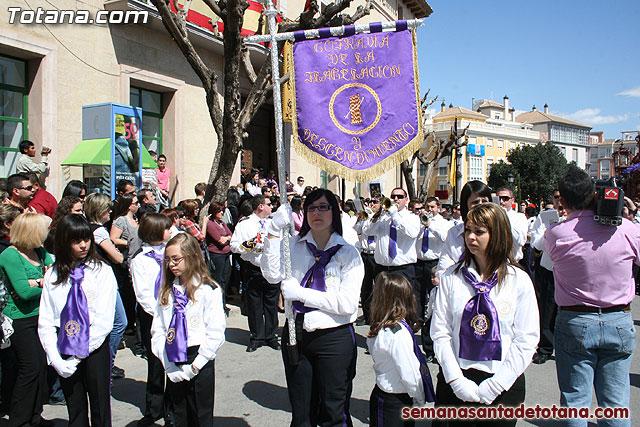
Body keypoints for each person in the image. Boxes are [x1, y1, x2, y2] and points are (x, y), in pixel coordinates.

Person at [261, 188, 364, 427]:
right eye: (311, 208)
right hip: (297, 333)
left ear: (334, 212)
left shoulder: (348, 254)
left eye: (323, 207)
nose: (316, 212)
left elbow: (347, 304)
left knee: (333, 412)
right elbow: (271, 274)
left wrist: (302, 295)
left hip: (334, 338)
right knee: (302, 412)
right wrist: (274, 232)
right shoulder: (294, 247)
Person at [545, 168, 639, 427]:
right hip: (618, 319)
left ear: (561, 201)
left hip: (575, 320)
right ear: (593, 194)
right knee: (616, 403)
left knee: (576, 402)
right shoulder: (628, 230)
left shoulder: (556, 234)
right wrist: (625, 214)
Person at [431, 203, 539, 427]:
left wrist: (497, 384)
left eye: (479, 232)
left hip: (503, 383)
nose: (471, 237)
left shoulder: (518, 281)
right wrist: (456, 380)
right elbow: (440, 331)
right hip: (458, 378)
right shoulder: (452, 277)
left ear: (497, 234)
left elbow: (526, 339)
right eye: (468, 230)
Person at [38, 214, 117, 427]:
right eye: (76, 241)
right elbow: (46, 320)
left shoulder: (102, 271)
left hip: (94, 348)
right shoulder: (53, 275)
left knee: (101, 408)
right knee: (76, 409)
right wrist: (55, 358)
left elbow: (104, 320)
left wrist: (79, 356)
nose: (83, 245)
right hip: (65, 345)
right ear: (64, 242)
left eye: (86, 239)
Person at [151, 233, 225, 427]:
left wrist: (195, 366)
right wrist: (168, 365)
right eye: (168, 260)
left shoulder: (208, 289)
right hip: (173, 356)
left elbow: (215, 332)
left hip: (199, 357)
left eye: (176, 259)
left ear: (192, 256)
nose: (171, 264)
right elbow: (158, 329)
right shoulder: (167, 291)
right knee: (178, 415)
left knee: (200, 415)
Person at [0, 212, 53, 427]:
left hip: (41, 315)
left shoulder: (39, 251)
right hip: (19, 319)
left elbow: (57, 276)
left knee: (40, 367)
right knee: (29, 368)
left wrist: (38, 282)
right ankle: (19, 420)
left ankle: (35, 416)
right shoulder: (10, 255)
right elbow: (23, 292)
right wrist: (44, 282)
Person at [367, 272, 435, 427]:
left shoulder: (381, 326)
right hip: (396, 400)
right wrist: (419, 397)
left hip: (384, 393)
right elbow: (409, 371)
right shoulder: (397, 333)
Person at [130, 213, 173, 427]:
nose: (171, 231)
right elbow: (143, 293)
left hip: (175, 312)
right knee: (155, 361)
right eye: (167, 228)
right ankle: (154, 406)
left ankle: (172, 406)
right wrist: (158, 313)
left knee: (175, 357)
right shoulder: (140, 260)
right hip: (153, 315)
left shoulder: (170, 253)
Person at [84, 193, 128, 379]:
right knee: (119, 322)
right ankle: (106, 366)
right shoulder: (99, 231)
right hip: (103, 281)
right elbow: (117, 257)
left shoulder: (87, 228)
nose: (110, 211)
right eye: (107, 208)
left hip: (94, 281)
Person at [230, 195, 280, 352]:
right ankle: (257, 337)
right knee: (255, 304)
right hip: (254, 268)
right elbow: (234, 245)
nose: (271, 207)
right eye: (268, 204)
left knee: (271, 305)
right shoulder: (245, 224)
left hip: (272, 269)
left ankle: (271, 336)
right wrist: (250, 245)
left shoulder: (273, 223)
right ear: (260, 206)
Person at [362, 187, 421, 317]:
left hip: (403, 269)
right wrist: (374, 215)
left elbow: (412, 233)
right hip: (382, 268)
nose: (396, 199)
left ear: (406, 199)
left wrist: (395, 215)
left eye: (399, 197)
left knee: (403, 305)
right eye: (393, 196)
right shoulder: (383, 217)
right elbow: (367, 231)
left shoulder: (411, 217)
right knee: (382, 305)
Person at [416, 196, 452, 361]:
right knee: (418, 303)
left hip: (434, 264)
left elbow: (446, 238)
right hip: (418, 263)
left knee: (434, 306)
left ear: (439, 208)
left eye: (432, 207)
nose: (429, 210)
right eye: (427, 207)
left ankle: (431, 348)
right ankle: (419, 342)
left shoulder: (444, 223)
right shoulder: (419, 221)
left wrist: (431, 226)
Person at [529, 190, 563, 365]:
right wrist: (551, 231)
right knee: (547, 310)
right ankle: (545, 348)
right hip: (549, 268)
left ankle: (565, 348)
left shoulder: (577, 217)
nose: (560, 201)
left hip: (569, 271)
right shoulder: (544, 217)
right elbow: (537, 243)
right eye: (557, 197)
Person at [435, 180, 492, 280]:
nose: (480, 205)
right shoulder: (454, 233)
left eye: (484, 201)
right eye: (475, 202)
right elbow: (443, 269)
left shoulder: (496, 230)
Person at [111, 193, 141, 331]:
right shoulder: (121, 221)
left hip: (136, 258)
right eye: (135, 203)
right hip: (124, 260)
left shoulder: (136, 219)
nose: (138, 205)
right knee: (127, 294)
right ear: (129, 205)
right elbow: (114, 239)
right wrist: (129, 242)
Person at [205, 202, 232, 314]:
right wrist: (226, 239)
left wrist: (226, 238)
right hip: (217, 255)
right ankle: (219, 304)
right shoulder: (211, 224)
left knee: (225, 278)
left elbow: (231, 234)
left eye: (222, 210)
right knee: (218, 279)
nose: (222, 213)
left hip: (226, 254)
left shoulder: (222, 223)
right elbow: (219, 240)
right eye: (219, 211)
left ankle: (223, 301)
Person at [495, 186, 528, 262]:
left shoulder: (520, 217)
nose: (501, 201)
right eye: (499, 198)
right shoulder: (491, 217)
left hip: (512, 262)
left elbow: (521, 240)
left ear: (512, 200)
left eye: (505, 198)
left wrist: (503, 218)